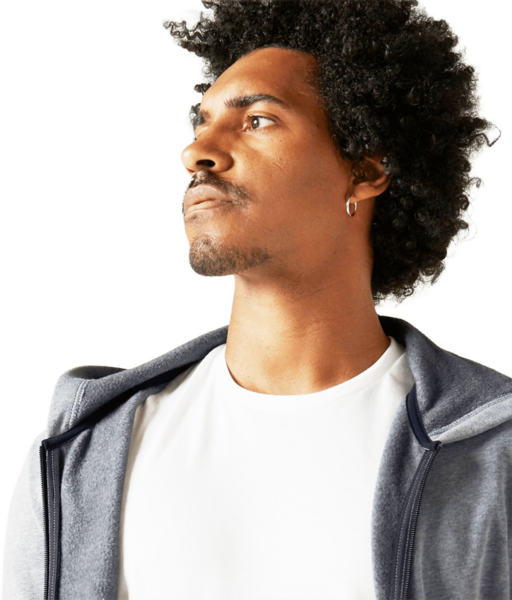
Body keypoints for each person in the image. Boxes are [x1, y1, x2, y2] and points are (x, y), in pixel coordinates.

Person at [3, 0, 511, 599]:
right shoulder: (83, 448)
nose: (197, 153)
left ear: (366, 171)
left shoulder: (492, 452)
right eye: (202, 123)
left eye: (257, 120)